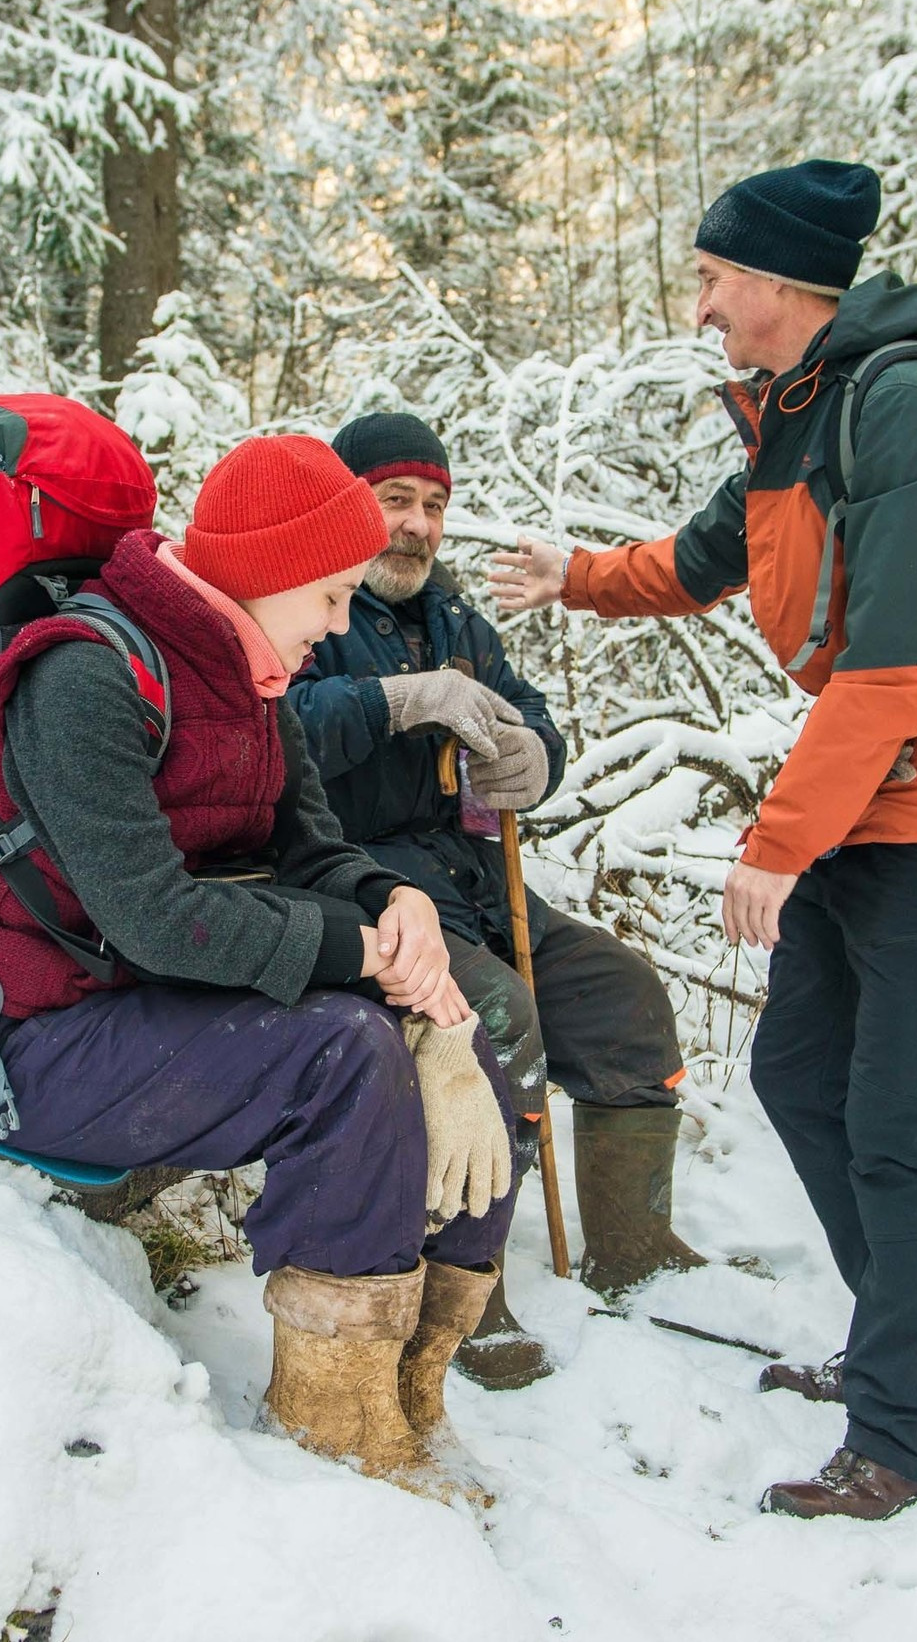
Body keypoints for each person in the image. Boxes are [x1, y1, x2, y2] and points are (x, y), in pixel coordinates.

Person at [487, 160, 917, 1520]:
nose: (702, 305)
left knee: (901, 1129)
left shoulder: (904, 406)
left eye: (716, 277)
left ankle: (904, 1431)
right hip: (871, 804)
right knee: (801, 1077)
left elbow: (899, 667)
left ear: (787, 283)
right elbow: (705, 555)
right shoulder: (806, 410)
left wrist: (776, 844)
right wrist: (580, 579)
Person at [0, 433, 525, 1495]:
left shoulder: (253, 675)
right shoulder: (82, 677)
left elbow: (313, 849)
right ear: (268, 570)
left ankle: (411, 1395)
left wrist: (398, 905)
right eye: (332, 596)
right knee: (345, 1050)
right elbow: (153, 917)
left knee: (467, 1020)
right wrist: (363, 961)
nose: (340, 625)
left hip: (149, 1007)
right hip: (36, 1043)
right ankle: (334, 1419)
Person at [286, 412, 709, 1389]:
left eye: (434, 504)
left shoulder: (455, 619)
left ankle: (632, 1248)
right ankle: (464, 1287)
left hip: (471, 879)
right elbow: (271, 730)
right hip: (354, 887)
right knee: (492, 1024)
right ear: (346, 502)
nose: (420, 525)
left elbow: (529, 719)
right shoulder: (308, 602)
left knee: (626, 998)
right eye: (395, 500)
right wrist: (396, 701)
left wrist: (533, 757)